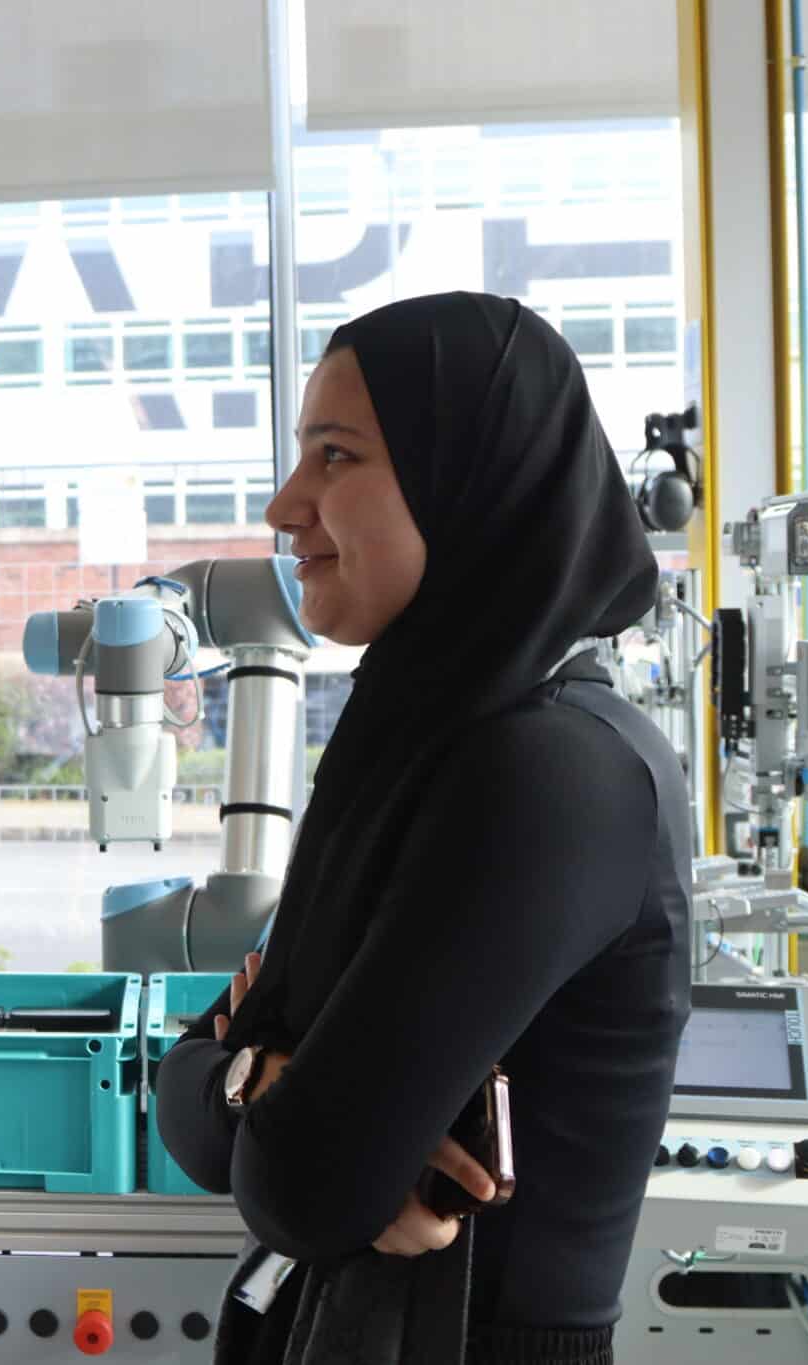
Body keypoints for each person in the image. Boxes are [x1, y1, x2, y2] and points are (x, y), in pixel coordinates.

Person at [154, 292, 692, 1365]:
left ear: (471, 484)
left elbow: (297, 1186)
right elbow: (192, 1108)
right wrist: (255, 1083)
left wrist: (261, 1089)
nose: (283, 504)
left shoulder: (549, 772)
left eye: (336, 458)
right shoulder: (424, 747)